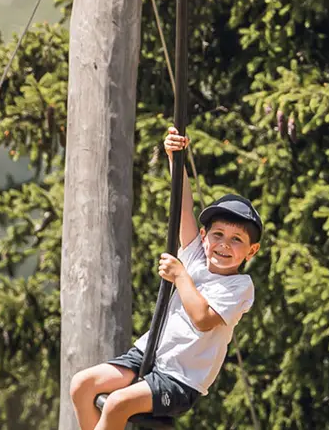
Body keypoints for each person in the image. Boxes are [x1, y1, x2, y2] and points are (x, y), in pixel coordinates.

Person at [69, 127, 263, 430]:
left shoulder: (238, 286)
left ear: (252, 251)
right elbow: (182, 207)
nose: (224, 245)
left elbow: (203, 318)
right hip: (148, 354)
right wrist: (176, 157)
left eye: (237, 240)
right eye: (218, 235)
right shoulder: (197, 255)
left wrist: (180, 275)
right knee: (82, 384)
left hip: (181, 379)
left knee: (118, 404)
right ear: (204, 236)